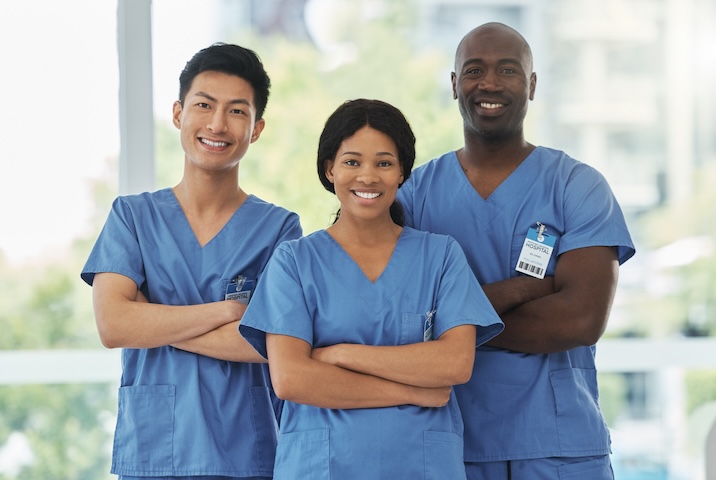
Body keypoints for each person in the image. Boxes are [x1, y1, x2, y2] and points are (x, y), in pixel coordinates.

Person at [396, 23, 636, 480]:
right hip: (450, 444)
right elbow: (400, 321)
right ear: (453, 85)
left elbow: (581, 320)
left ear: (531, 84)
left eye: (507, 70)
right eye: (474, 70)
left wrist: (452, 325)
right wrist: (524, 290)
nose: (489, 83)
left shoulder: (576, 186)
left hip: (558, 447)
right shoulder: (413, 196)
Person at [238, 99, 503, 480]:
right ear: (329, 169)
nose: (368, 176)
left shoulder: (441, 256)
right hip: (321, 468)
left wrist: (342, 354)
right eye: (351, 162)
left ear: (401, 174)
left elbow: (454, 364)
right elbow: (292, 379)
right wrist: (414, 391)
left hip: (420, 466)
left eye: (383, 162)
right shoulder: (294, 262)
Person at [81, 43, 302, 480]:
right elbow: (114, 327)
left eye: (237, 111)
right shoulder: (133, 217)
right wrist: (227, 313)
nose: (218, 124)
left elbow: (271, 345)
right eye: (204, 105)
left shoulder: (279, 229)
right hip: (155, 452)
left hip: (246, 454)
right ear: (179, 114)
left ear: (256, 129)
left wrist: (151, 321)